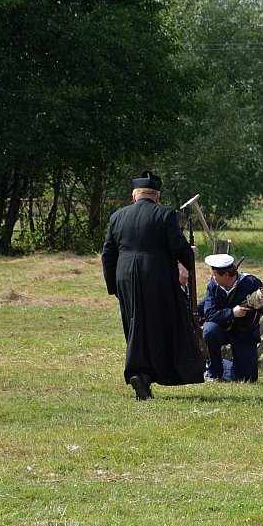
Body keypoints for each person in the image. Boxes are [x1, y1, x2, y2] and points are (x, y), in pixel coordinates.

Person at [101, 170, 204, 400]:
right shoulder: (165, 214)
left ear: (134, 196)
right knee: (157, 327)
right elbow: (178, 247)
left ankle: (141, 373)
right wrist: (189, 257)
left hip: (125, 275)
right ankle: (143, 373)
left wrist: (114, 285)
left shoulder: (118, 216)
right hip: (156, 276)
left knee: (134, 324)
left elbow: (107, 254)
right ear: (157, 197)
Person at [199, 254, 263, 383]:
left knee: (248, 379)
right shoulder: (213, 286)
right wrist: (232, 313)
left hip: (244, 332)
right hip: (221, 329)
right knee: (209, 330)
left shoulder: (251, 282)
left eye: (214, 274)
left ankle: (229, 369)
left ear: (226, 275)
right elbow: (210, 313)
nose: (212, 277)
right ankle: (214, 373)